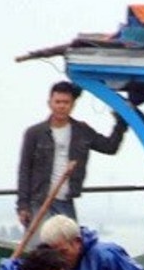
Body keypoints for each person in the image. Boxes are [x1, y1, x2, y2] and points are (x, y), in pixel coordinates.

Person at [16, 80, 128, 228]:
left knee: (70, 246)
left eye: (66, 102)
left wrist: (121, 122)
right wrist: (22, 206)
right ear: (50, 103)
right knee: (40, 247)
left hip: (65, 202)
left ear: (73, 105)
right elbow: (24, 170)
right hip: (38, 202)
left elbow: (109, 147)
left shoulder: (82, 131)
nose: (61, 106)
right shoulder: (34, 133)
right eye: (58, 102)